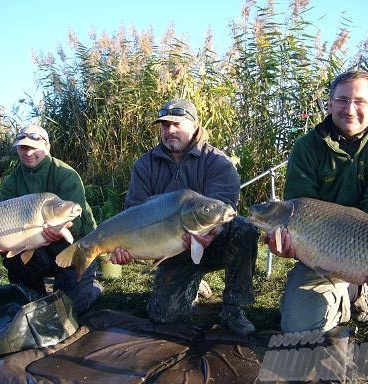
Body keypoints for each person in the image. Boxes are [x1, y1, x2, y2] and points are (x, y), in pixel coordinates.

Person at [265, 70, 368, 373]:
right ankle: (351, 294)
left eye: (360, 101)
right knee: (298, 331)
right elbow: (298, 209)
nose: (350, 109)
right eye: (341, 100)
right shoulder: (307, 147)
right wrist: (288, 245)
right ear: (329, 104)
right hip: (322, 249)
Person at [110, 99, 258, 335]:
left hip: (214, 242)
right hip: (172, 246)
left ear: (194, 124)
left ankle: (233, 307)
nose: (169, 131)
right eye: (165, 125)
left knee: (244, 229)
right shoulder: (145, 165)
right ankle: (194, 283)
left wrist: (212, 232)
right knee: (164, 317)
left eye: (176, 125)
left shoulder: (217, 162)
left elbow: (224, 208)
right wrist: (125, 247)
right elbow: (134, 212)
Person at [0, 124, 103, 316]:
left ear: (47, 147)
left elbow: (78, 223)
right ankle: (34, 297)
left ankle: (92, 287)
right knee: (29, 306)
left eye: (34, 147)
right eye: (23, 148)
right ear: (17, 149)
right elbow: (1, 224)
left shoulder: (66, 175)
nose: (29, 152)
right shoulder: (11, 183)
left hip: (73, 247)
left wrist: (60, 232)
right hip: (33, 247)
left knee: (73, 310)